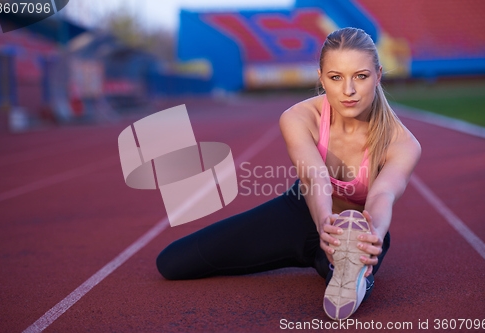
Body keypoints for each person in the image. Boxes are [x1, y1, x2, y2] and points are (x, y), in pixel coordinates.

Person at [156, 27, 421, 320]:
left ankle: (349, 271)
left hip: (355, 234)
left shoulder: (402, 143)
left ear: (378, 75)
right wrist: (323, 225)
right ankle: (336, 261)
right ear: (321, 78)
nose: (349, 90)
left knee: (343, 262)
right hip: (300, 213)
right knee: (173, 263)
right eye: (336, 78)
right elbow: (313, 178)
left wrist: (374, 234)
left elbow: (383, 194)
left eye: (361, 76)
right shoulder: (299, 118)